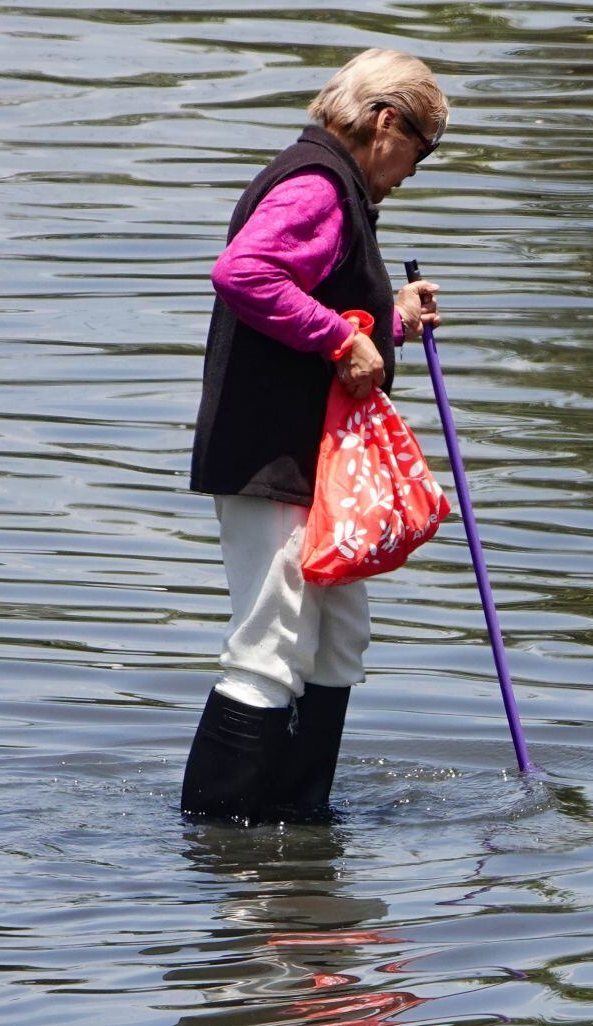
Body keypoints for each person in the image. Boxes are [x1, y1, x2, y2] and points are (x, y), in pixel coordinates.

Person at [182, 48, 447, 825]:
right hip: (270, 457)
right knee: (270, 642)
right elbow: (246, 274)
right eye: (418, 153)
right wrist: (340, 338)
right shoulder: (317, 183)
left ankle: (299, 821)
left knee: (336, 638)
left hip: (318, 462)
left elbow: (320, 299)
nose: (411, 173)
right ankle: (219, 840)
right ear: (386, 120)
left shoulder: (341, 194)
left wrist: (388, 318)